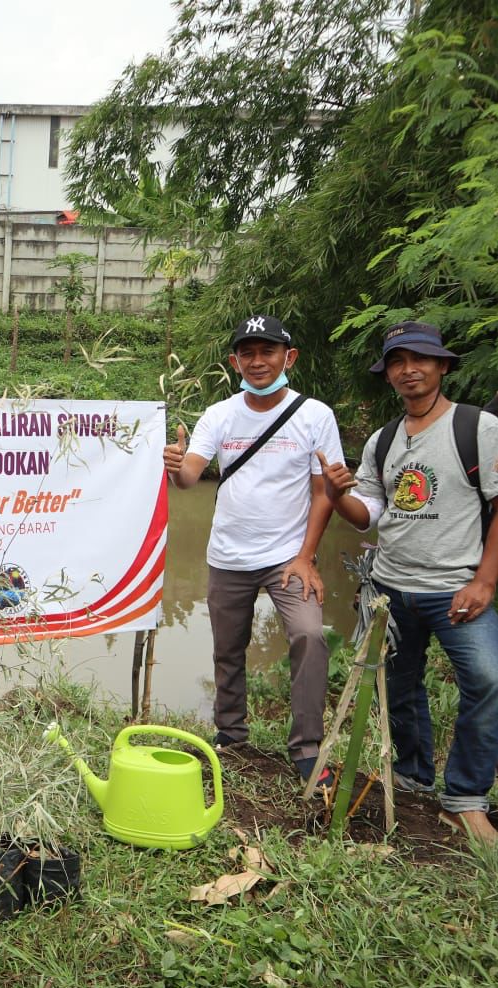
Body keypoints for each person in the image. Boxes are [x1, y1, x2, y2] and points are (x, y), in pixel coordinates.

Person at [319, 322, 498, 854]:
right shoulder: (383, 440)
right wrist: (338, 495)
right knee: (400, 687)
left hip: (455, 587)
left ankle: (466, 801)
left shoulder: (476, 428)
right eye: (396, 361)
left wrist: (485, 580)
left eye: (420, 359)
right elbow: (369, 514)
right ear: (388, 374)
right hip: (389, 588)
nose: (408, 369)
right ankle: (412, 777)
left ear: (443, 366)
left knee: (490, 682)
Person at [163, 315, 343, 786]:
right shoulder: (219, 415)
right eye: (248, 353)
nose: (258, 361)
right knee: (228, 649)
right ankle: (231, 734)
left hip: (289, 557)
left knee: (309, 636)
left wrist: (307, 557)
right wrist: (176, 466)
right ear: (235, 361)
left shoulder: (315, 415)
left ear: (290, 357)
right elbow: (188, 479)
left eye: (268, 351)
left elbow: (325, 492)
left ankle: (306, 748)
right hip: (228, 556)